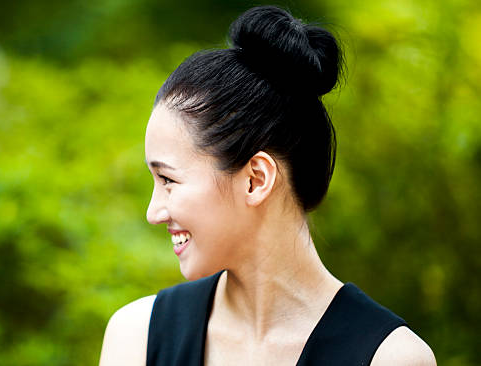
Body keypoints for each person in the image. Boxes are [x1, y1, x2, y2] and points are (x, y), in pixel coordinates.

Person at [99, 5, 436, 366]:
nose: (153, 212)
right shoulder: (137, 336)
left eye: (168, 180)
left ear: (256, 179)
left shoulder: (390, 358)